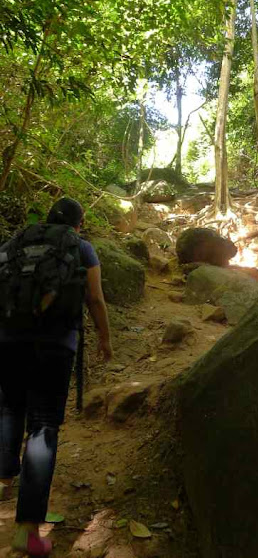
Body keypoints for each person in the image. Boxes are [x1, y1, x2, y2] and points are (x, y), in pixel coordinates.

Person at [0, 197, 112, 556]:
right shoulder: (81, 248)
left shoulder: (15, 244)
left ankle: (4, 475)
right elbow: (95, 298)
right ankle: (27, 530)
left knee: (10, 409)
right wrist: (105, 341)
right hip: (55, 345)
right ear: (78, 224)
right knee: (43, 425)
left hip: (9, 341)